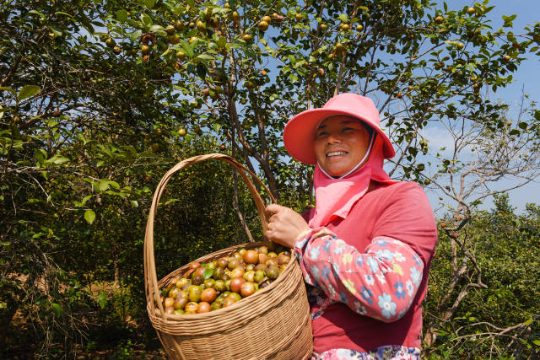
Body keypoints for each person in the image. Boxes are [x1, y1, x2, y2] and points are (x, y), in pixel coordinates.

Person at [264, 93, 438, 359]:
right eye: (322, 134)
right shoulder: (311, 219)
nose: (332, 139)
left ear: (373, 142)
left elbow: (389, 294)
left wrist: (303, 239)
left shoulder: (401, 199)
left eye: (347, 129)